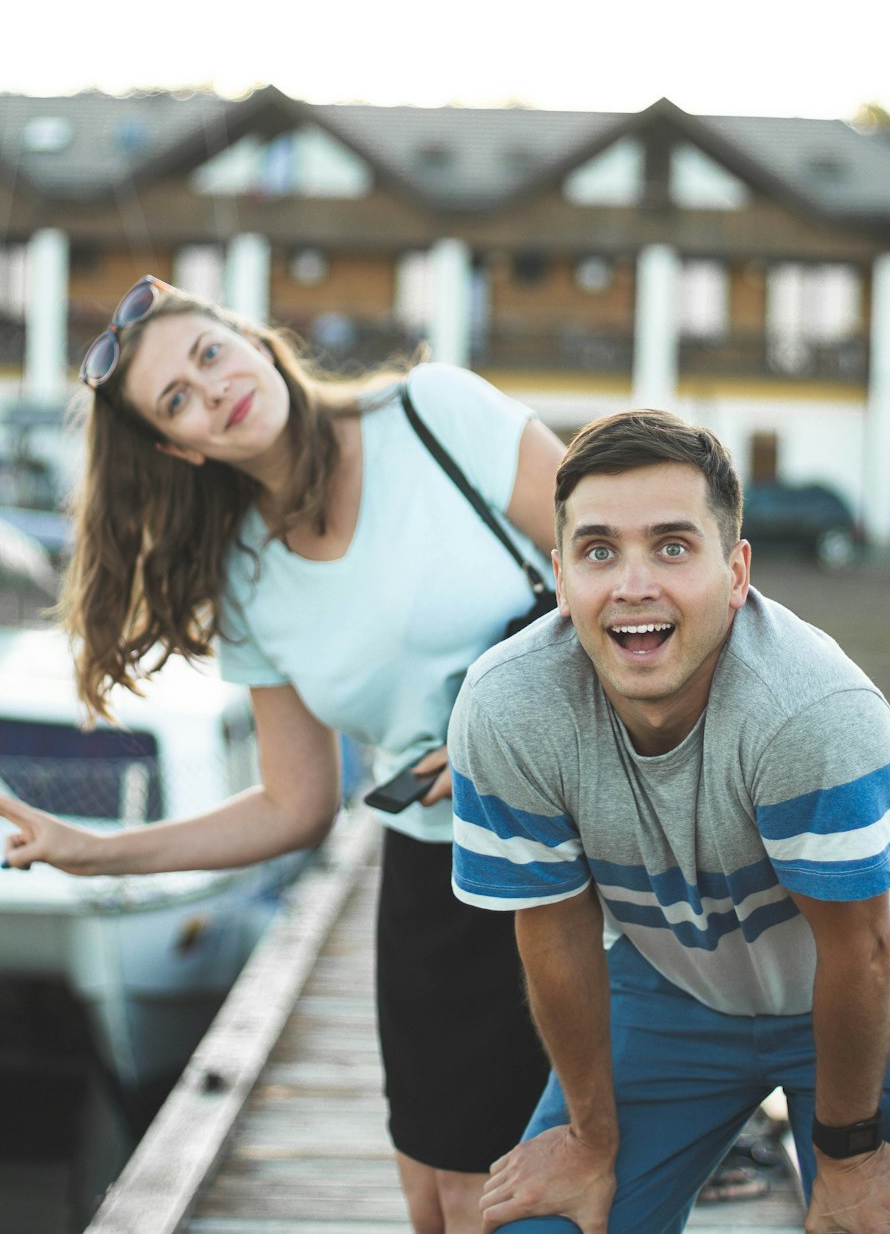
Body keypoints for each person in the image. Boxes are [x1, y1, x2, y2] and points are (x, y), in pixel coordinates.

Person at [0, 274, 564, 1234]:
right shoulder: (245, 574)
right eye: (177, 400)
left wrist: (497, 726)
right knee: (432, 1200)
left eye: (209, 355)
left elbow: (622, 571)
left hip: (569, 843)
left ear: (253, 340)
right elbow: (294, 804)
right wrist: (90, 851)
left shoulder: (436, 412)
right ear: (181, 446)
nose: (211, 390)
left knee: (502, 1205)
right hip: (433, 866)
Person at [448, 408, 890, 1234]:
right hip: (680, 980)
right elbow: (554, 930)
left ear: (736, 572)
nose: (634, 583)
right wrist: (590, 1140)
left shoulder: (812, 708)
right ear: (560, 578)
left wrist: (847, 1157)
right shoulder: (508, 707)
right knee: (543, 1226)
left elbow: (863, 948)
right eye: (600, 551)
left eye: (672, 546)